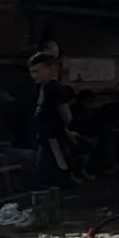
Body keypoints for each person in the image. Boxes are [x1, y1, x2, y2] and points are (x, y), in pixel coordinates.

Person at [29, 48, 77, 191]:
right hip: (44, 136)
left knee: (59, 167)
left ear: (48, 69)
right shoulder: (41, 88)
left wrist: (67, 130)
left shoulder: (55, 89)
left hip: (54, 136)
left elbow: (65, 114)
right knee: (46, 168)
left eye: (37, 71)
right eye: (32, 72)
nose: (34, 75)